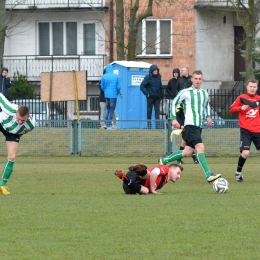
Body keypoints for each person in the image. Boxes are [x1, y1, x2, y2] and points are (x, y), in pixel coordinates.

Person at [158, 70, 221, 183]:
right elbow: (174, 103)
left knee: (187, 152)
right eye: (195, 78)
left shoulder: (204, 93)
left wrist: (208, 116)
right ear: (191, 79)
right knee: (200, 148)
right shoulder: (185, 92)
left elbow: (206, 105)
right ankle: (208, 175)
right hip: (190, 124)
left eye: (199, 79)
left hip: (198, 125)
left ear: (202, 80)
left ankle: (163, 160)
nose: (197, 81)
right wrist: (174, 119)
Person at [0, 93, 36, 195]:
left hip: (12, 133)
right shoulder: (9, 108)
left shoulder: (31, 125)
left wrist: (16, 138)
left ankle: (2, 185)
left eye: (23, 120)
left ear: (28, 117)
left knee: (12, 156)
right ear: (16, 113)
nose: (20, 122)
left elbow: (22, 133)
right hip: (0, 123)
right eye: (18, 118)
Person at [230, 79, 260, 182]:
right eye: (250, 86)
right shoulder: (241, 98)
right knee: (246, 153)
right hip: (246, 130)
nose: (252, 88)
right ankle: (238, 172)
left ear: (257, 88)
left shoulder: (259, 99)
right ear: (247, 87)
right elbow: (231, 109)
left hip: (258, 130)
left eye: (254, 87)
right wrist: (240, 108)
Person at [114, 163, 183, 194]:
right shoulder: (166, 169)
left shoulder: (164, 181)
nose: (179, 176)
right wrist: (153, 190)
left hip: (129, 186)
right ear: (171, 170)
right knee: (148, 174)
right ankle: (139, 170)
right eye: (178, 173)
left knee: (146, 191)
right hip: (134, 175)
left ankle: (122, 176)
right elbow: (154, 173)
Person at [140, 64, 163, 129]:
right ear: (151, 71)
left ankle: (157, 126)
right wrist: (147, 93)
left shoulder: (159, 77)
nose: (156, 71)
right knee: (149, 111)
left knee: (157, 111)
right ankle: (149, 126)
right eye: (154, 70)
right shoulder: (148, 77)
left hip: (157, 97)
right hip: (150, 97)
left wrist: (161, 95)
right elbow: (142, 86)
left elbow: (160, 86)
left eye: (156, 70)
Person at [101, 64, 121, 130]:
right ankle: (110, 125)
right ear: (112, 69)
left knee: (107, 109)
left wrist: (106, 91)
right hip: (113, 95)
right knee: (112, 110)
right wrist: (117, 93)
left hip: (106, 95)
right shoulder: (116, 76)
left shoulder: (104, 76)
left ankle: (106, 124)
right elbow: (118, 87)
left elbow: (102, 87)